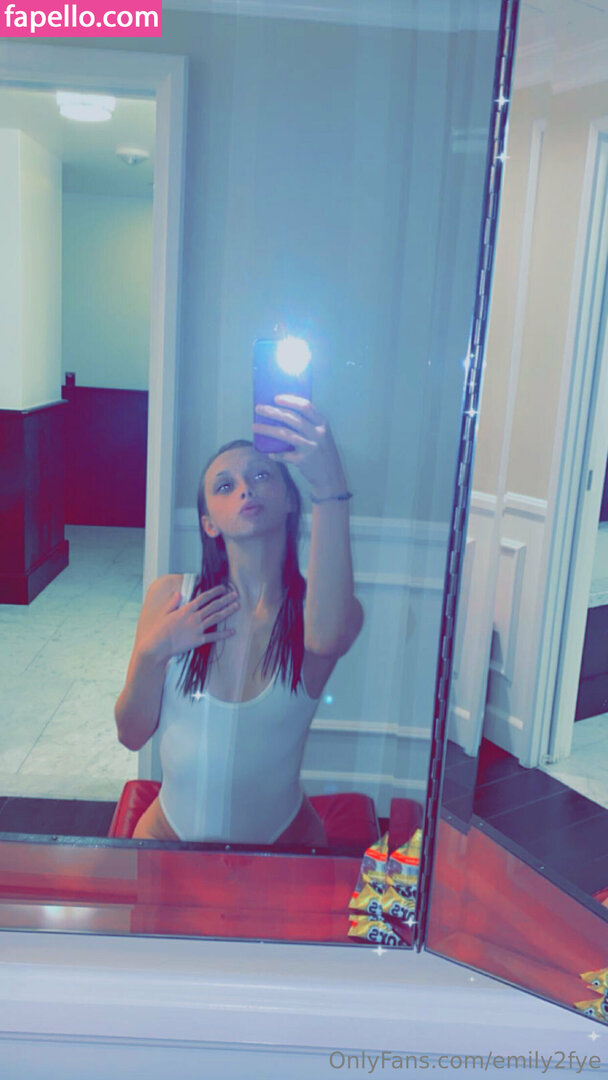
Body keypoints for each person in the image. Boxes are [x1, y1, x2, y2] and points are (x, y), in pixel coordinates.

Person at [114, 395, 364, 845]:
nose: (245, 489)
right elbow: (130, 735)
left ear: (289, 500)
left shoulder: (316, 612)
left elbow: (327, 638)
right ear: (208, 523)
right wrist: (155, 651)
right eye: (224, 486)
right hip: (166, 837)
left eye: (261, 475)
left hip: (284, 846)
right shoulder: (170, 597)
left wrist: (329, 484)